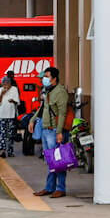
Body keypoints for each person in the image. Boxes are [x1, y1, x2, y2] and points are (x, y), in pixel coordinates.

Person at [32, 66, 70, 198]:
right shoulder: (48, 91)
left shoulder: (60, 92)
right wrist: (32, 120)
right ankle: (49, 187)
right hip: (46, 130)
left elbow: (62, 113)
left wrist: (59, 132)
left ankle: (60, 188)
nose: (44, 79)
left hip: (54, 131)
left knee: (58, 161)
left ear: (54, 78)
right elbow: (42, 108)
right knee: (50, 161)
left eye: (46, 77)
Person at [0, 73, 21, 158]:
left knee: (10, 134)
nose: (5, 85)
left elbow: (18, 102)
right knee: (2, 133)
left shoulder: (14, 89)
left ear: (10, 83)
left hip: (11, 115)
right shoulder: (1, 89)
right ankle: (2, 151)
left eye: (7, 84)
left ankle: (10, 151)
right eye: (4, 84)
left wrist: (13, 101)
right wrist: (2, 94)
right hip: (2, 115)